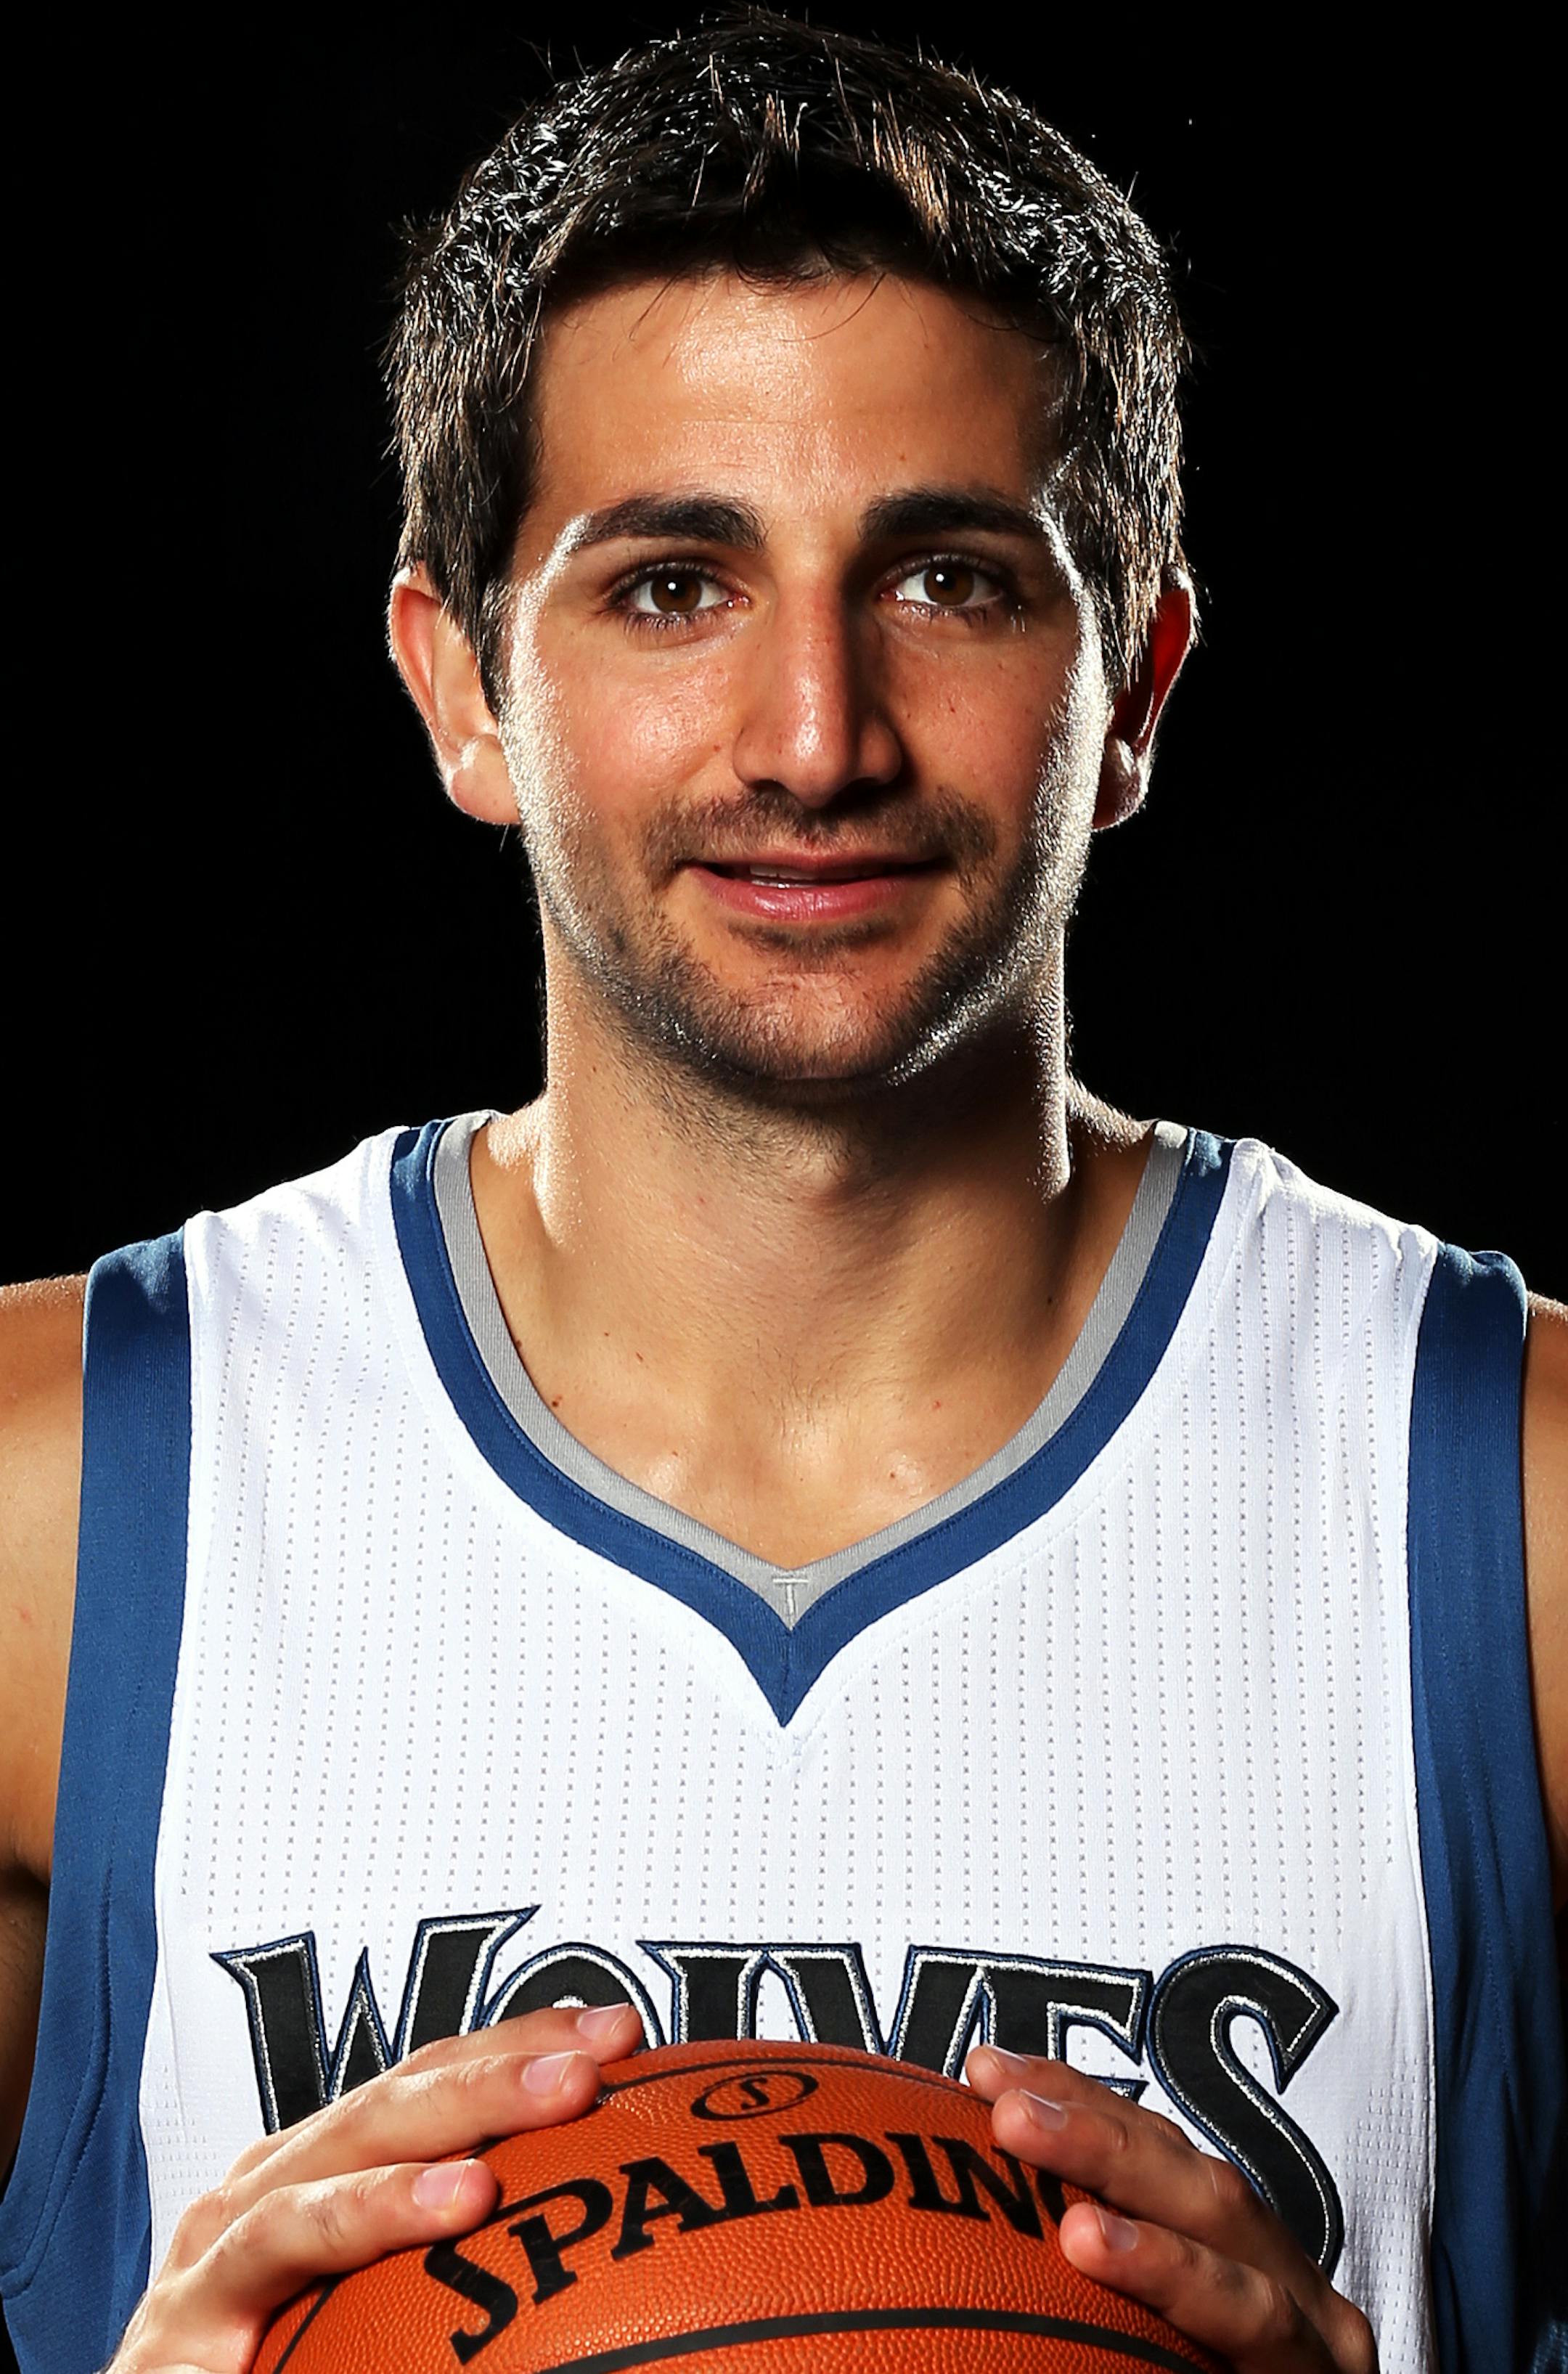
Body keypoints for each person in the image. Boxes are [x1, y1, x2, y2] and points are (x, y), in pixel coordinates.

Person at [1, 10, 1562, 2370]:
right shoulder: (60, 1507)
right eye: (668, 586)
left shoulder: (1515, 1519)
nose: (813, 738)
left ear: (1132, 683)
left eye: (945, 580)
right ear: (460, 686)